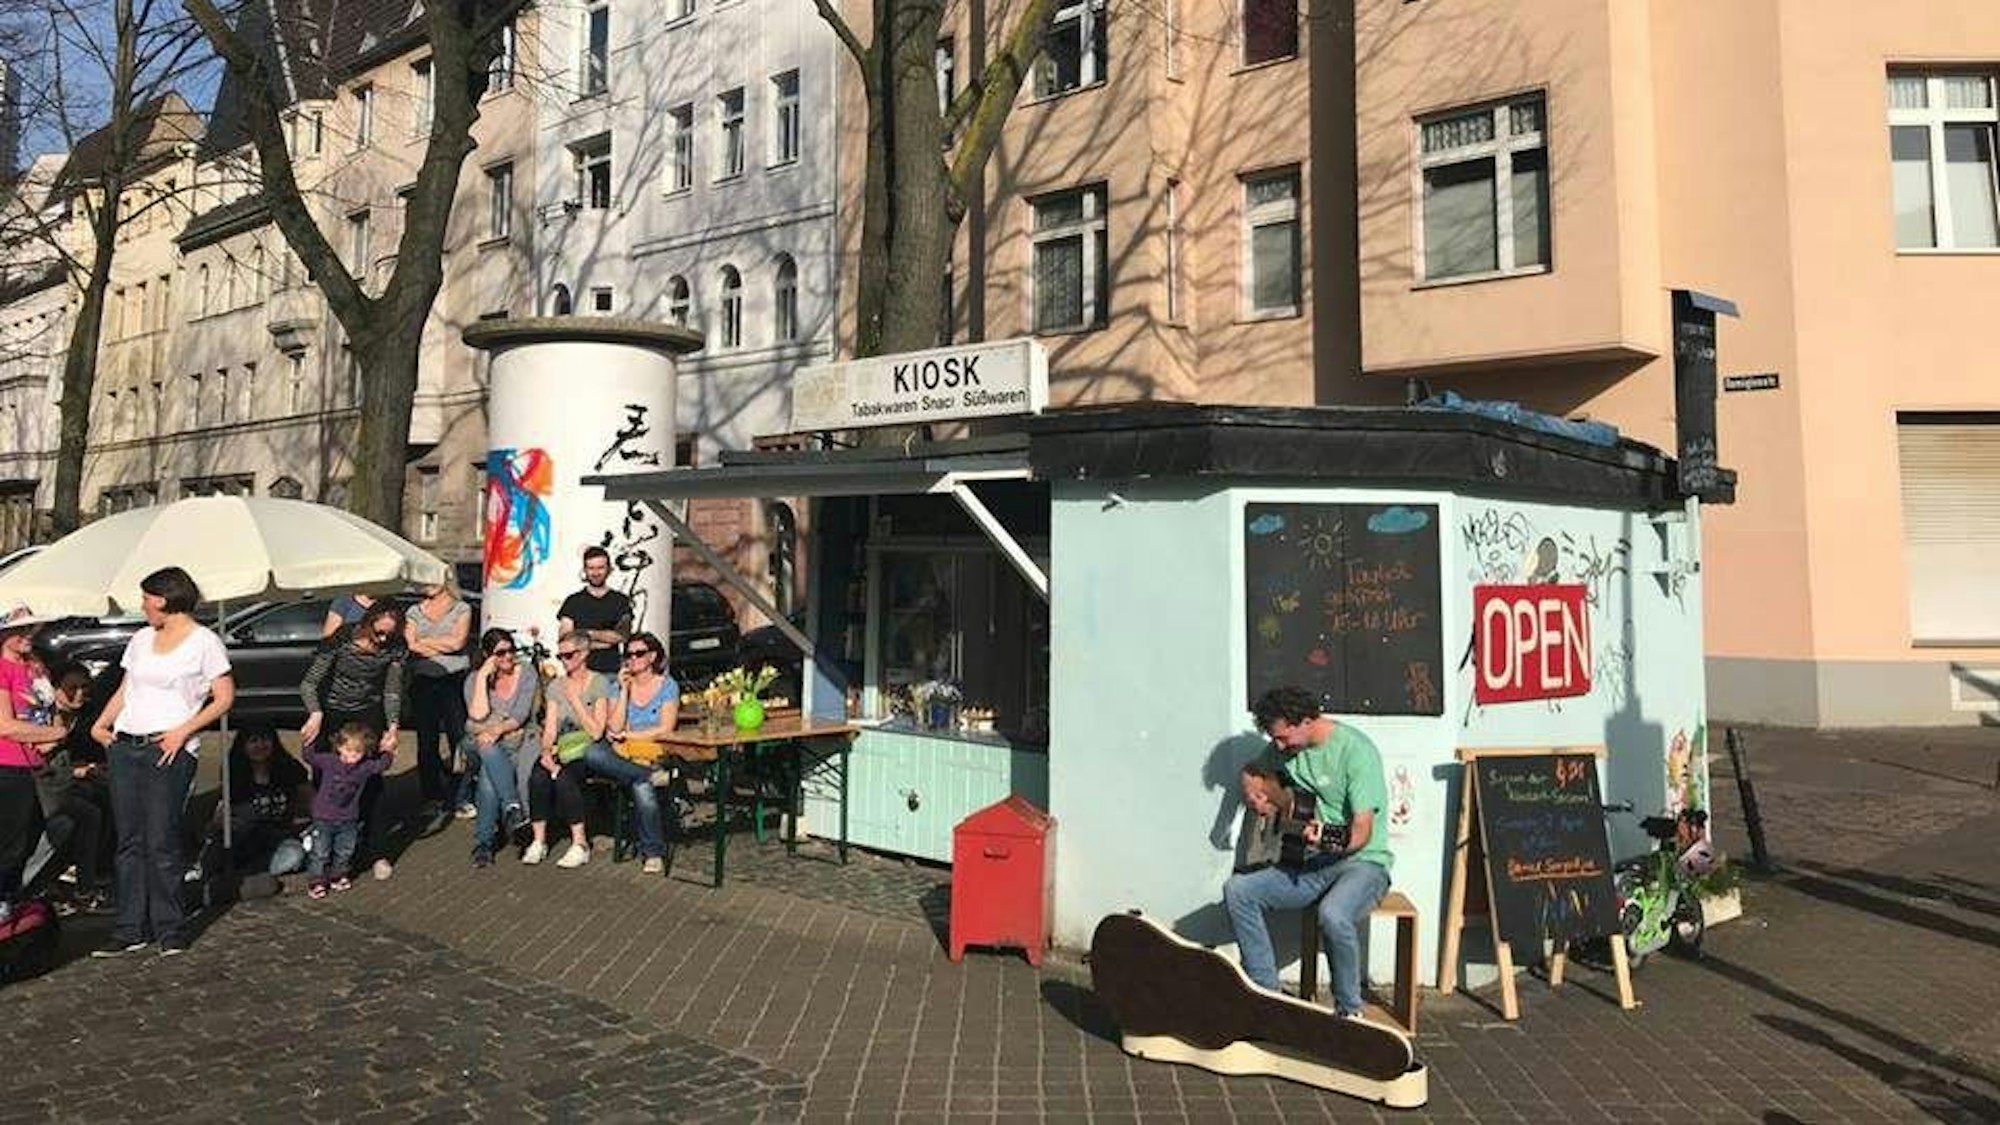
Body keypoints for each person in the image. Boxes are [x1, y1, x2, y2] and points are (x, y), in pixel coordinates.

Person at [87, 568, 235, 957]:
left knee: (161, 839)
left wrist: (183, 730)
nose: (143, 606)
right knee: (129, 840)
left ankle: (170, 926)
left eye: (147, 598)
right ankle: (129, 926)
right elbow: (127, 687)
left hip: (167, 747)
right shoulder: (140, 639)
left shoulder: (204, 642)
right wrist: (100, 723)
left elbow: (223, 697)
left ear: (165, 599)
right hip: (126, 744)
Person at [1222, 685, 1393, 1019]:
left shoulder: (1356, 751)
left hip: (1364, 863)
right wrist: (1253, 794)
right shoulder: (1284, 750)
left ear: (1305, 720)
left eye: (1284, 738)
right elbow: (1252, 771)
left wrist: (1324, 836)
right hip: (1312, 865)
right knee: (1238, 891)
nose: (1279, 746)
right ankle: (1265, 995)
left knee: (1332, 914)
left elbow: (1361, 833)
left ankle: (1349, 1010)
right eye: (1275, 740)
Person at [299, 602, 405, 880]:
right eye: (378, 633)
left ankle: (377, 850)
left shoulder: (395, 647)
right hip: (332, 712)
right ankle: (324, 851)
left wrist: (392, 727)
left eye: (388, 635)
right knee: (327, 780)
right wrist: (315, 713)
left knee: (371, 782)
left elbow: (392, 690)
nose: (382, 639)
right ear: (367, 622)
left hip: (368, 712)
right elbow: (309, 682)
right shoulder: (342, 639)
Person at [0, 607, 67, 923]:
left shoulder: (37, 667)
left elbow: (51, 709)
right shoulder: (2, 668)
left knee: (40, 831)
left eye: (32, 629)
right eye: (20, 630)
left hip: (38, 761)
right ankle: (4, 896)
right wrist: (54, 732)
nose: (29, 635)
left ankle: (17, 893)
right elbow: (5, 725)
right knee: (12, 839)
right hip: (8, 763)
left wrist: (52, 736)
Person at [602, 631, 679, 875]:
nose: (632, 659)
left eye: (639, 653)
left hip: (652, 749)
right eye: (629, 654)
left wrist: (630, 735)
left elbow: (666, 728)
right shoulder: (618, 686)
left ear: (652, 656)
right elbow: (613, 727)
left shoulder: (667, 685)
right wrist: (624, 691)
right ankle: (645, 774)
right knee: (593, 754)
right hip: (626, 754)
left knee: (640, 785)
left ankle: (653, 853)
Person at [462, 628, 537, 867]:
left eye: (511, 651)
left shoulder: (526, 672)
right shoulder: (474, 678)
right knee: (486, 748)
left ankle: (483, 843)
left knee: (487, 777)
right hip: (485, 742)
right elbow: (477, 714)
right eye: (500, 653)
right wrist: (484, 676)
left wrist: (495, 730)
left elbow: (520, 714)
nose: (507, 657)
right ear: (487, 655)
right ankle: (512, 808)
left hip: (518, 738)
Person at [528, 631, 603, 868]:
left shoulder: (599, 683)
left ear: (584, 654)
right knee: (538, 776)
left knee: (565, 778)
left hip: (588, 749)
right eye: (560, 656)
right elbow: (550, 728)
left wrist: (576, 700)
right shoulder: (556, 687)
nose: (564, 661)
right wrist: (546, 751)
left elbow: (596, 731)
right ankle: (539, 840)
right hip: (563, 746)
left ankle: (580, 843)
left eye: (569, 655)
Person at [404, 582, 473, 822]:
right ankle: (431, 796)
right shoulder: (414, 611)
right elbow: (410, 644)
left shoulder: (461, 608)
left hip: (453, 681)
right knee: (427, 740)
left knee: (458, 738)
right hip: (423, 681)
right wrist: (442, 644)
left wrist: (426, 644)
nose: (427, 585)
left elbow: (458, 643)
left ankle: (460, 794)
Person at [303, 723, 394, 898]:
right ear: (339, 747)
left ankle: (338, 875)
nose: (352, 756)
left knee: (345, 850)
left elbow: (382, 766)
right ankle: (316, 880)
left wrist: (388, 750)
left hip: (348, 818)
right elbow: (310, 757)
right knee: (320, 851)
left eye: (357, 752)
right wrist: (308, 740)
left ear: (365, 752)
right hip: (324, 816)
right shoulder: (329, 761)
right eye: (348, 750)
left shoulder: (364, 767)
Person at [216, 723, 312, 877]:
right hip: (244, 838)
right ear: (243, 746)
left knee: (295, 855)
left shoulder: (289, 768)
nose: (260, 746)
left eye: (265, 740)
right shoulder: (233, 771)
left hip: (279, 837)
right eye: (253, 741)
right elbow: (221, 809)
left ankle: (246, 876)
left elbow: (309, 799)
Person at [558, 546, 633, 676]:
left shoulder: (620, 601)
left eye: (600, 568)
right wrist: (605, 641)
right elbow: (565, 638)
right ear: (585, 570)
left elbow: (622, 635)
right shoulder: (573, 602)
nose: (596, 573)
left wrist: (587, 634)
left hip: (611, 672)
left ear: (608, 569)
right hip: (580, 673)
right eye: (591, 568)